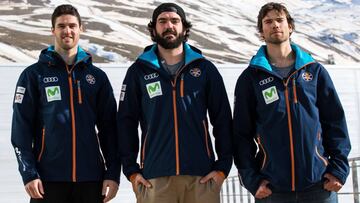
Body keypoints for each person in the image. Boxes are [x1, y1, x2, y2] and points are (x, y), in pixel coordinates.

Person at [233, 2, 351, 203]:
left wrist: (339, 169)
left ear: (290, 26)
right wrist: (252, 180)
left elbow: (335, 123)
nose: (275, 25)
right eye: (268, 22)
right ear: (261, 31)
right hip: (273, 190)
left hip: (319, 185)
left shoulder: (314, 72)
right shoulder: (250, 78)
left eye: (280, 20)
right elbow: (241, 134)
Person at [117, 2, 233, 203]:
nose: (168, 26)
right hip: (155, 179)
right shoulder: (138, 72)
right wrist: (131, 170)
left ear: (184, 28)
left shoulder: (205, 69)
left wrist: (222, 167)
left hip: (201, 178)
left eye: (174, 21)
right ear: (154, 28)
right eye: (162, 21)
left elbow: (222, 119)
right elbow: (125, 122)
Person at [11, 4, 120, 203]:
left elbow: (109, 130)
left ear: (81, 29)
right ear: (53, 30)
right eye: (61, 26)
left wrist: (112, 174)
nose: (67, 31)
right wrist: (29, 173)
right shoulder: (33, 75)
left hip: (91, 180)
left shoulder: (96, 77)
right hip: (46, 181)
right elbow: (21, 131)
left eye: (72, 25)